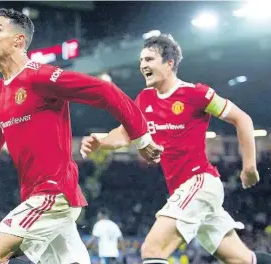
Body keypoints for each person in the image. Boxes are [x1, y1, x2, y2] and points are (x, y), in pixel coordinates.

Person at [0, 9, 164, 264]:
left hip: (53, 194)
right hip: (37, 196)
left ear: (18, 40)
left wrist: (142, 139)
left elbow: (105, 91)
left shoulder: (41, 76)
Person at [80, 34, 271, 264]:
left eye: (149, 59)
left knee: (152, 250)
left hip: (200, 183)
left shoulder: (196, 94)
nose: (143, 66)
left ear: (169, 63)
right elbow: (124, 134)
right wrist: (100, 142)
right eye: (141, 60)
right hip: (184, 189)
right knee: (242, 260)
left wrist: (249, 166)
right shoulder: (145, 99)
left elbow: (242, 119)